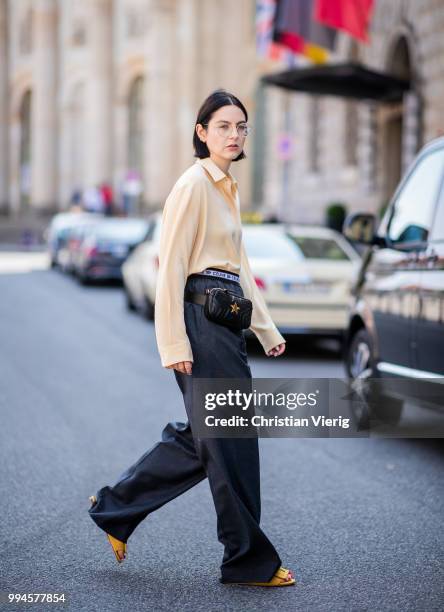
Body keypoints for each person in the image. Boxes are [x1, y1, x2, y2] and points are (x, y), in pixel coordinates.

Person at [88, 89, 295, 587]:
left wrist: (265, 327)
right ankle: (246, 560)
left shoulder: (226, 187)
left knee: (206, 436)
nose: (234, 135)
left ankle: (116, 508)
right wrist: (174, 343)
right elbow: (172, 266)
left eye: (241, 127)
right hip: (201, 320)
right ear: (202, 132)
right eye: (223, 125)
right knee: (228, 440)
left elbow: (239, 266)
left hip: (225, 319)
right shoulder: (193, 185)